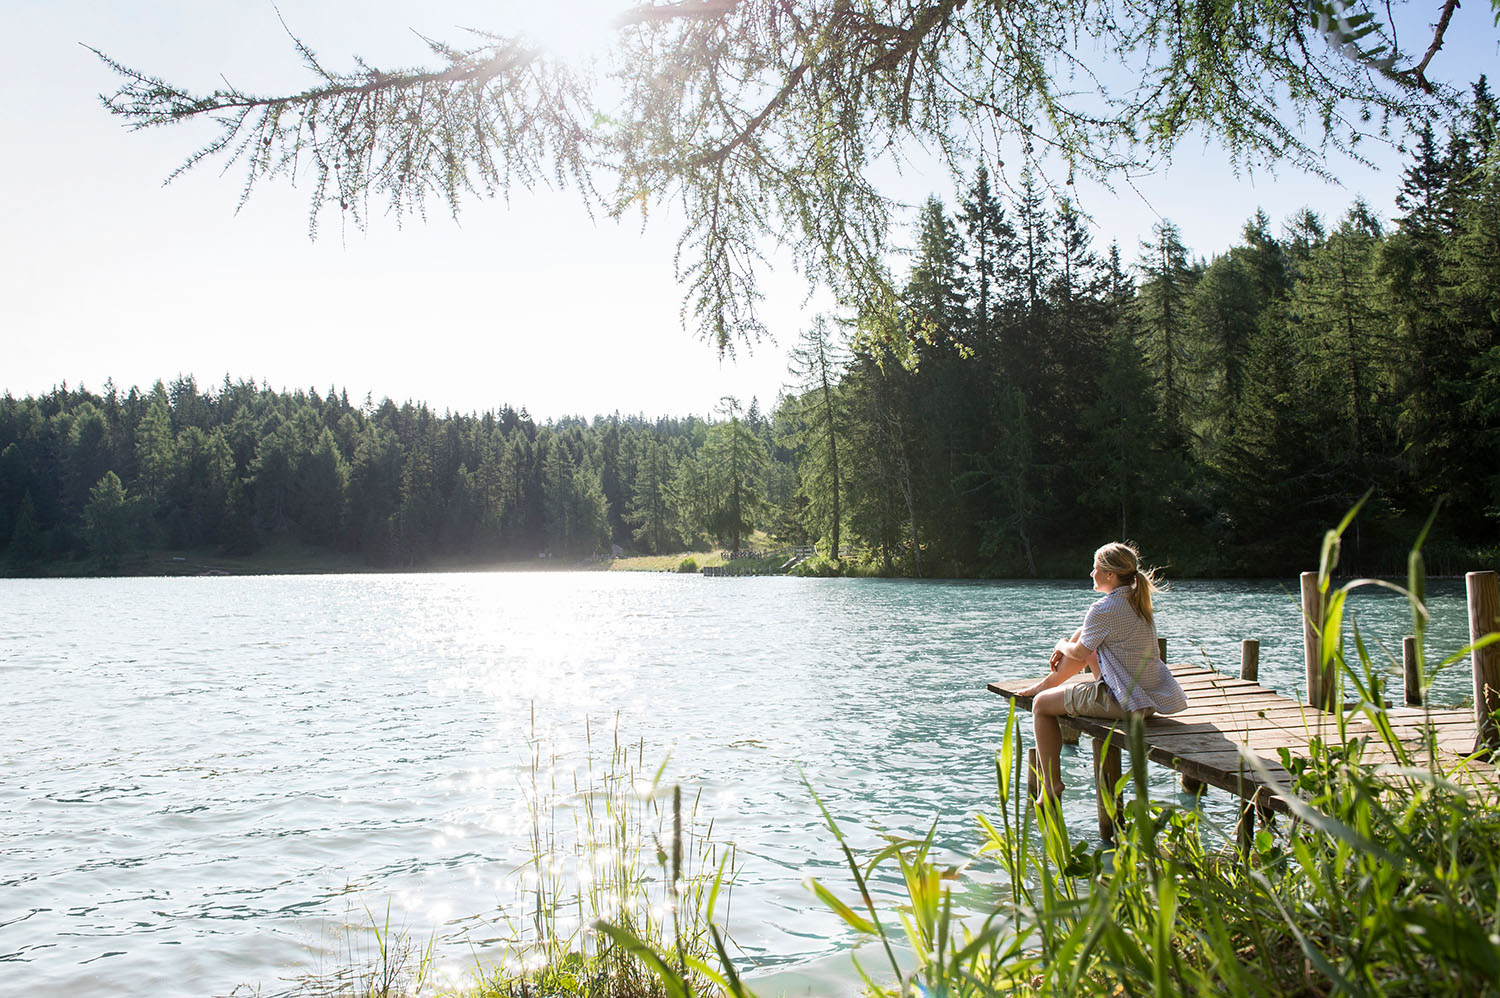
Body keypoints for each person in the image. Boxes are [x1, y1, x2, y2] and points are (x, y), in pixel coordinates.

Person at [1017, 541, 1187, 802]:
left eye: (1095, 568)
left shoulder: (1103, 609)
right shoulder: (1137, 600)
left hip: (1124, 703)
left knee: (1041, 705)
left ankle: (1051, 785)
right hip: (1148, 699)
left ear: (1110, 574)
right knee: (1088, 646)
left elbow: (1079, 652)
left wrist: (1061, 644)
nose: (1090, 573)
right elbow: (1089, 641)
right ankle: (1047, 684)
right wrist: (1071, 642)